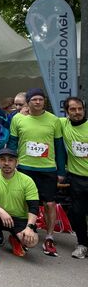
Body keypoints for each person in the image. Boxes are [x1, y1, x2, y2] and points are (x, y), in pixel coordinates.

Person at [8, 87, 66, 256]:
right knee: (25, 203)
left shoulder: (54, 120)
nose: (38, 102)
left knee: (49, 204)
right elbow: (12, 143)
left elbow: (59, 147)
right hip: (25, 167)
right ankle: (24, 232)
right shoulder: (18, 119)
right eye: (34, 99)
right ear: (28, 102)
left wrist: (61, 170)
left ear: (44, 101)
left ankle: (49, 237)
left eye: (41, 99)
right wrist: (12, 164)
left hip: (47, 169)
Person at [0, 148, 39, 257]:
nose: (6, 163)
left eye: (10, 160)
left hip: (19, 218)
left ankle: (15, 239)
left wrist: (29, 227)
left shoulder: (27, 180)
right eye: (3, 159)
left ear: (17, 162)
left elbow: (33, 207)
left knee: (32, 241)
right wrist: (1, 211)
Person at [59, 96, 88, 258]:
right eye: (73, 109)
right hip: (76, 177)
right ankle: (82, 244)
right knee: (77, 212)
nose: (77, 112)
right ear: (66, 112)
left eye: (80, 109)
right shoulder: (63, 124)